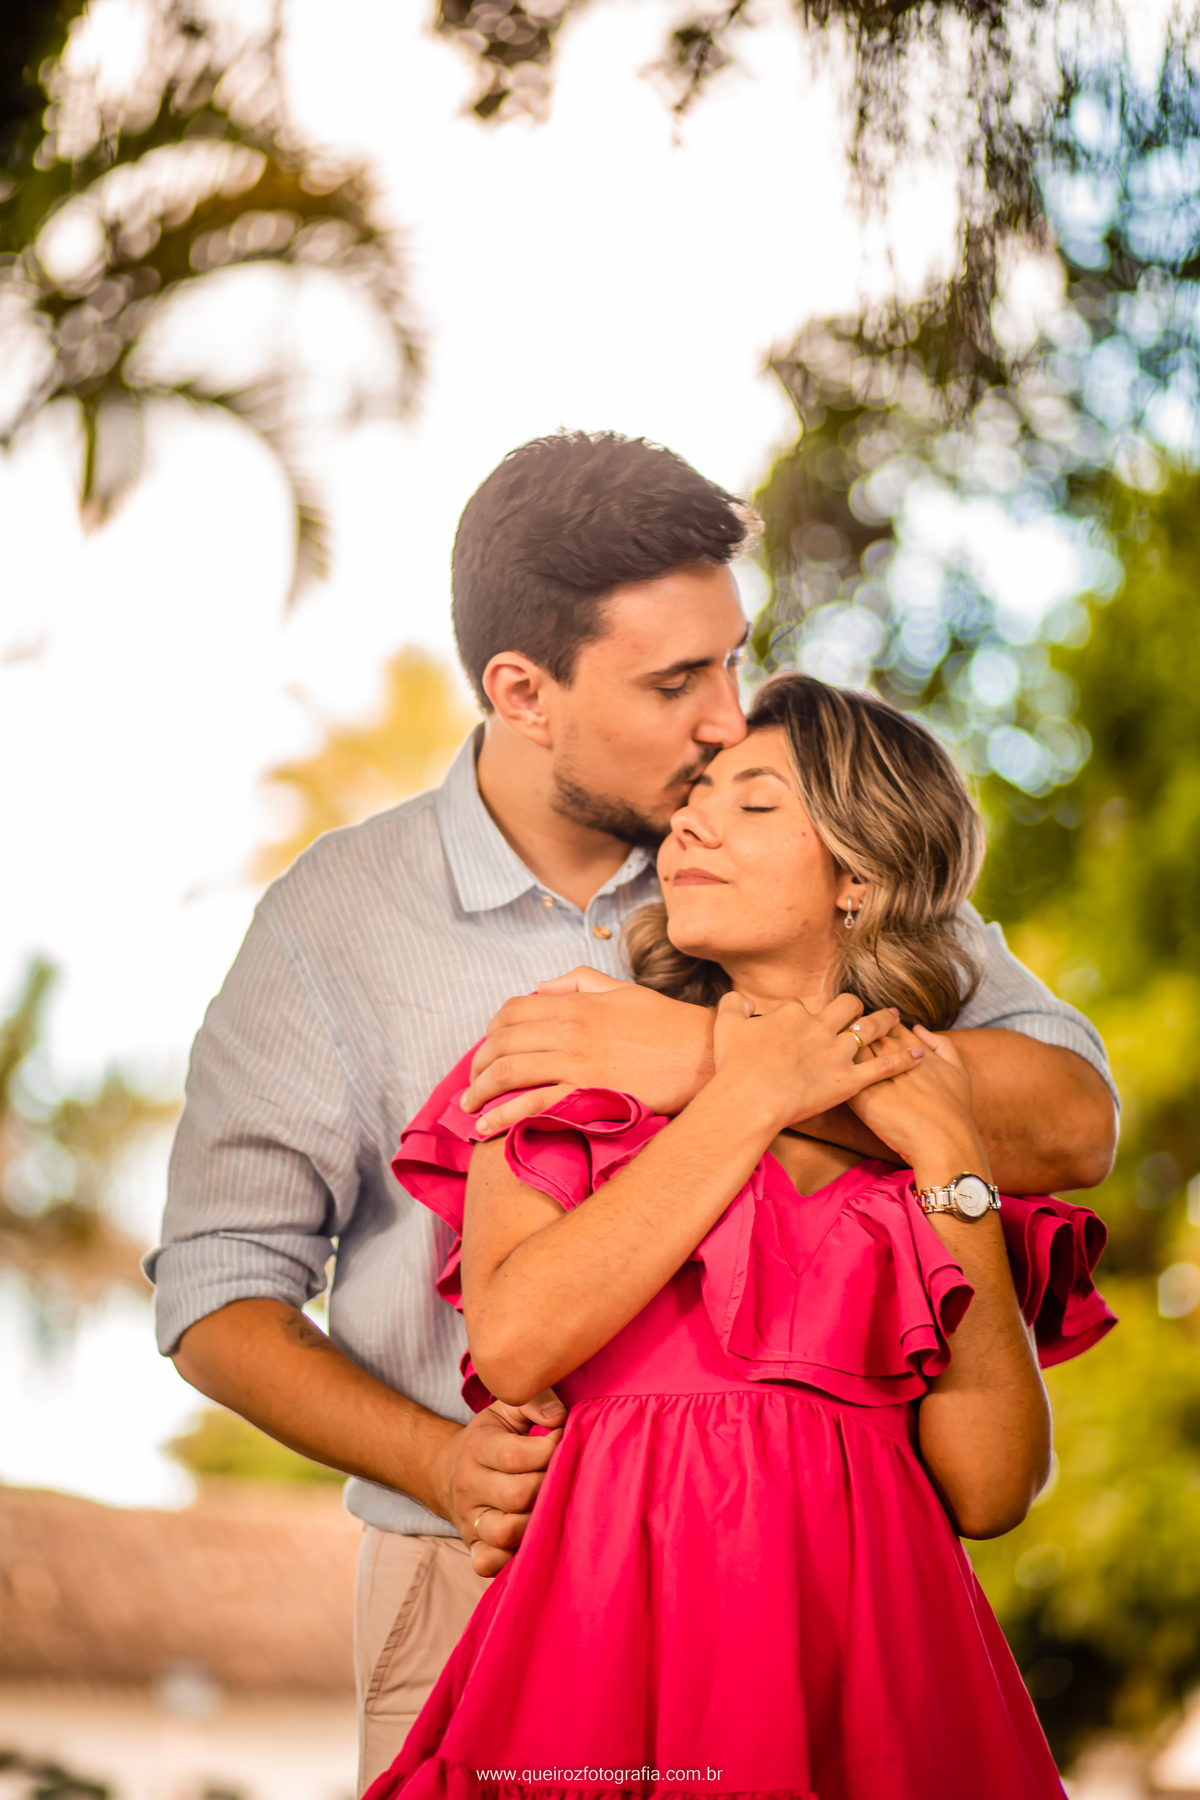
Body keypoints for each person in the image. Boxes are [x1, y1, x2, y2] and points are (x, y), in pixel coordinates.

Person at [145, 433, 1118, 1790]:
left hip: (836, 1596)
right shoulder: (341, 921)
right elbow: (217, 1289)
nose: (725, 715)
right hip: (494, 1569)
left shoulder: (802, 839)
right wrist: (441, 1462)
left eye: (730, 657)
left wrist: (714, 1053)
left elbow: (1065, 1122)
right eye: (678, 683)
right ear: (524, 691)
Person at [370, 674, 1115, 1800]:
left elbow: (992, 1490)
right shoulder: (566, 1062)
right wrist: (747, 1086)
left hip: (880, 1687)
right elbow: (516, 1340)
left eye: (753, 803)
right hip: (605, 1654)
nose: (691, 822)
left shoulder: (929, 1142)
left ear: (859, 875)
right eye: (694, 799)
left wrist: (953, 1169)